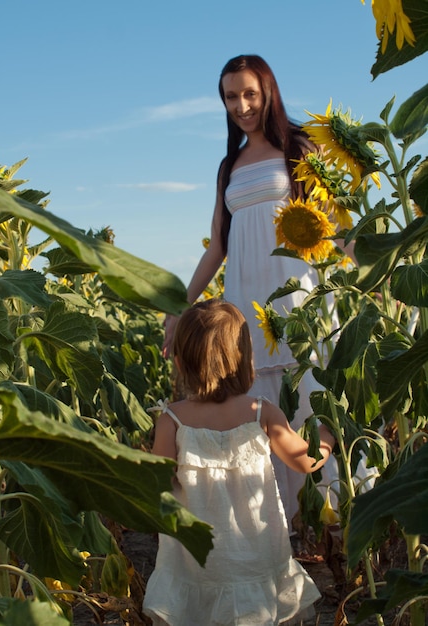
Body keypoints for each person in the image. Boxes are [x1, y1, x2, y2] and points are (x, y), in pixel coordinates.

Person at [163, 54, 337, 525]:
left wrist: (376, 268)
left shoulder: (302, 149)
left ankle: (332, 525)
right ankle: (278, 530)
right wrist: (180, 307)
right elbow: (217, 246)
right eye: (230, 97)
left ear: (268, 93)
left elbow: (336, 227)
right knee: (259, 412)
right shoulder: (230, 166)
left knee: (313, 401)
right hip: (248, 303)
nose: (240, 105)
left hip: (300, 298)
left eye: (249, 94)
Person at [144, 299, 335, 626]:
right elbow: (306, 460)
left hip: (194, 565)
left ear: (179, 362)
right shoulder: (261, 413)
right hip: (254, 561)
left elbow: (155, 485)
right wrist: (328, 435)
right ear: (246, 360)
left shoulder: (171, 421)